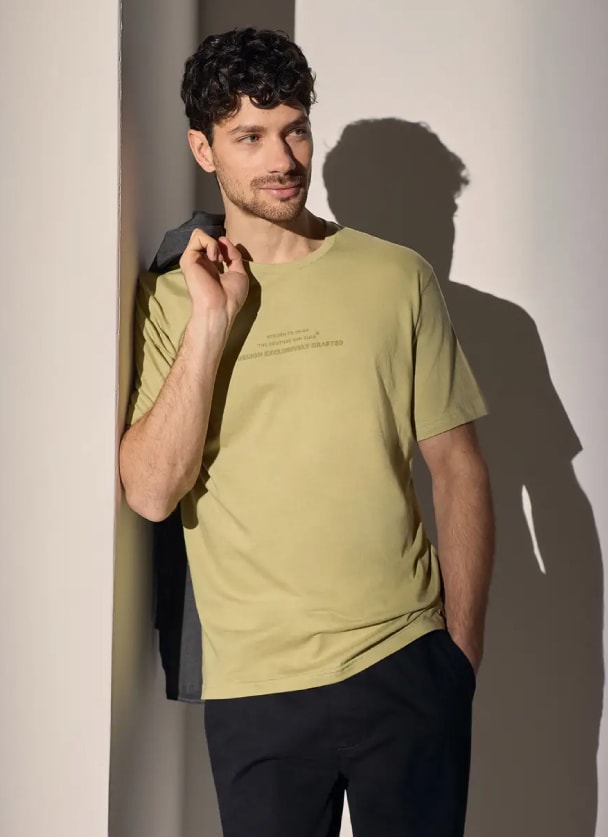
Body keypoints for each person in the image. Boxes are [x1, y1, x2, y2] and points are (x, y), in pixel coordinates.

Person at [119, 26, 495, 837]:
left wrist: (457, 658)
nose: (282, 158)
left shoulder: (396, 277)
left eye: (294, 130)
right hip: (255, 691)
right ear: (203, 149)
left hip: (404, 665)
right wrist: (212, 322)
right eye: (250, 137)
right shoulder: (173, 302)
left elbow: (459, 467)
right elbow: (150, 491)